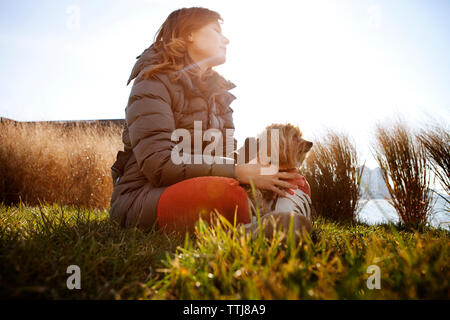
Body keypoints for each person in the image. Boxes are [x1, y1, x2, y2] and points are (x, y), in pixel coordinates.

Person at [109, 7, 304, 235]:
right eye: (216, 30)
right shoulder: (152, 82)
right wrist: (239, 172)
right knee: (228, 195)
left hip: (203, 184)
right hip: (144, 196)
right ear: (189, 34)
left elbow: (224, 158)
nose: (226, 39)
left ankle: (284, 223)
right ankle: (254, 232)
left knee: (290, 178)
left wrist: (260, 162)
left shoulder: (220, 95)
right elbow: (158, 165)